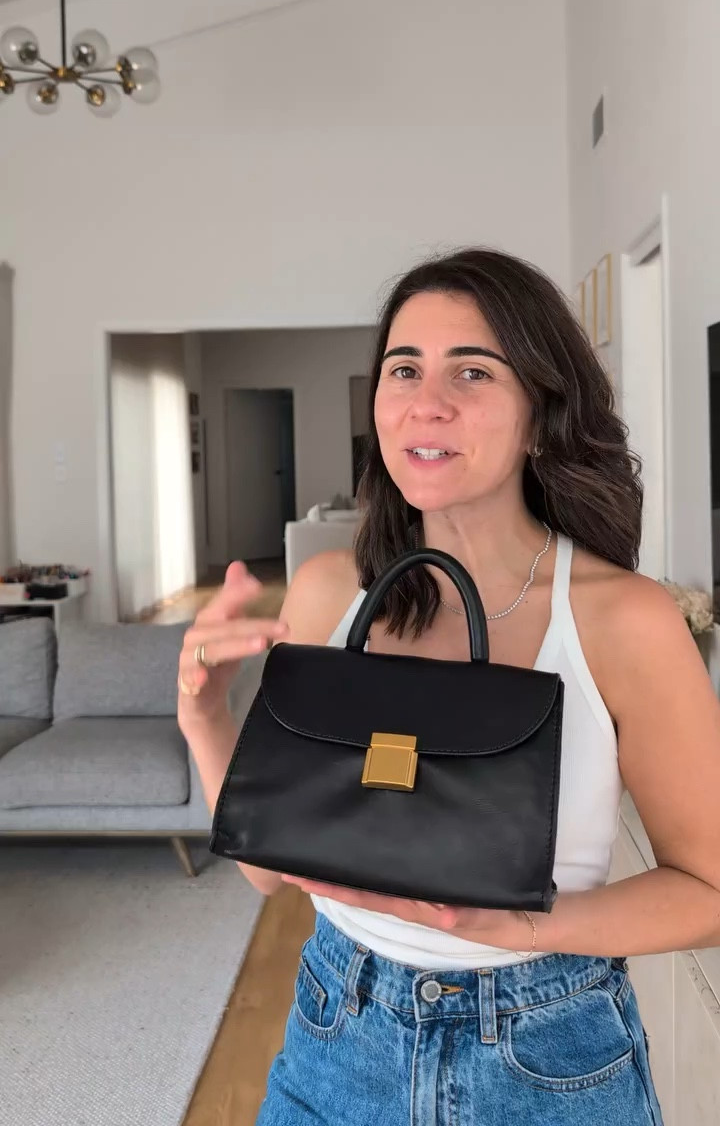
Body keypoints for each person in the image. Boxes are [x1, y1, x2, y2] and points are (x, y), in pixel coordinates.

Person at [177, 248, 720, 1125]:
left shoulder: (625, 620)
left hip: (545, 1054)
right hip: (336, 1030)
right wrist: (204, 716)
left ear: (540, 415)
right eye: (404, 369)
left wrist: (521, 929)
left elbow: (710, 891)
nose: (426, 402)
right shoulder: (328, 593)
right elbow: (272, 872)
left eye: (472, 370)